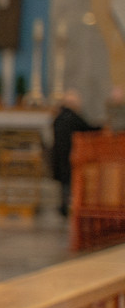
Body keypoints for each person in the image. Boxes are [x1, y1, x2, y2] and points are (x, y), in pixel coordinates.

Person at [52, 88, 100, 217]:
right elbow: (87, 129)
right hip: (72, 154)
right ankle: (68, 208)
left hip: (60, 155)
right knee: (69, 182)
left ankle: (64, 207)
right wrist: (102, 127)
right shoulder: (72, 116)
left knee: (65, 183)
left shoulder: (59, 116)